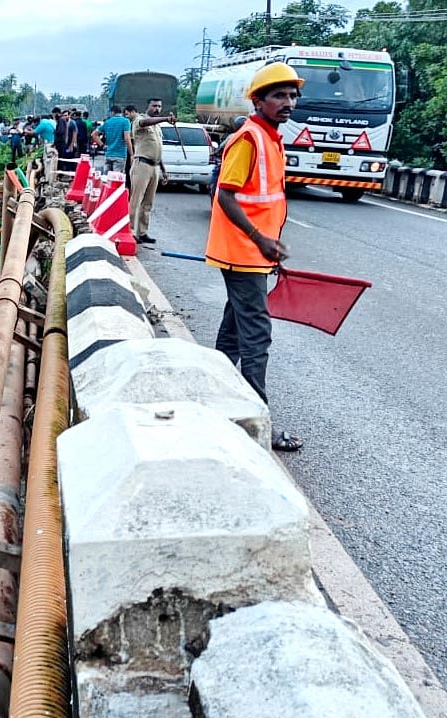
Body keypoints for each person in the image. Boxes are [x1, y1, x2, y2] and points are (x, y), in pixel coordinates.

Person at [205, 62, 305, 452]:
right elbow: (226, 195)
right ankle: (255, 423)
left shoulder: (271, 138)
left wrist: (269, 246)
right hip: (242, 253)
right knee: (256, 338)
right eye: (279, 95)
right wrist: (259, 239)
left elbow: (266, 202)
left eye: (292, 95)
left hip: (254, 254)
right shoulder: (249, 139)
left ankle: (214, 401)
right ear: (258, 100)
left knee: (232, 336)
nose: (288, 102)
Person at [129, 98, 175, 244]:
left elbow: (157, 150)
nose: (157, 108)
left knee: (148, 202)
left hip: (154, 166)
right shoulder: (140, 119)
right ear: (148, 106)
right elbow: (143, 123)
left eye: (159, 106)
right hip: (142, 164)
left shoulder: (157, 127)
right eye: (154, 106)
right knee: (136, 200)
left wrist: (163, 170)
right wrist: (166, 119)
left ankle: (142, 232)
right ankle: (130, 231)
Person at [92, 105, 131, 172]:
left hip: (108, 154)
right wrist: (131, 153)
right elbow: (127, 138)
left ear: (112, 112)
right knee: (116, 179)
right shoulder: (125, 121)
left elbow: (93, 134)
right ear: (121, 112)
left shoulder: (107, 122)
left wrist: (102, 145)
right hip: (120, 155)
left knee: (107, 179)